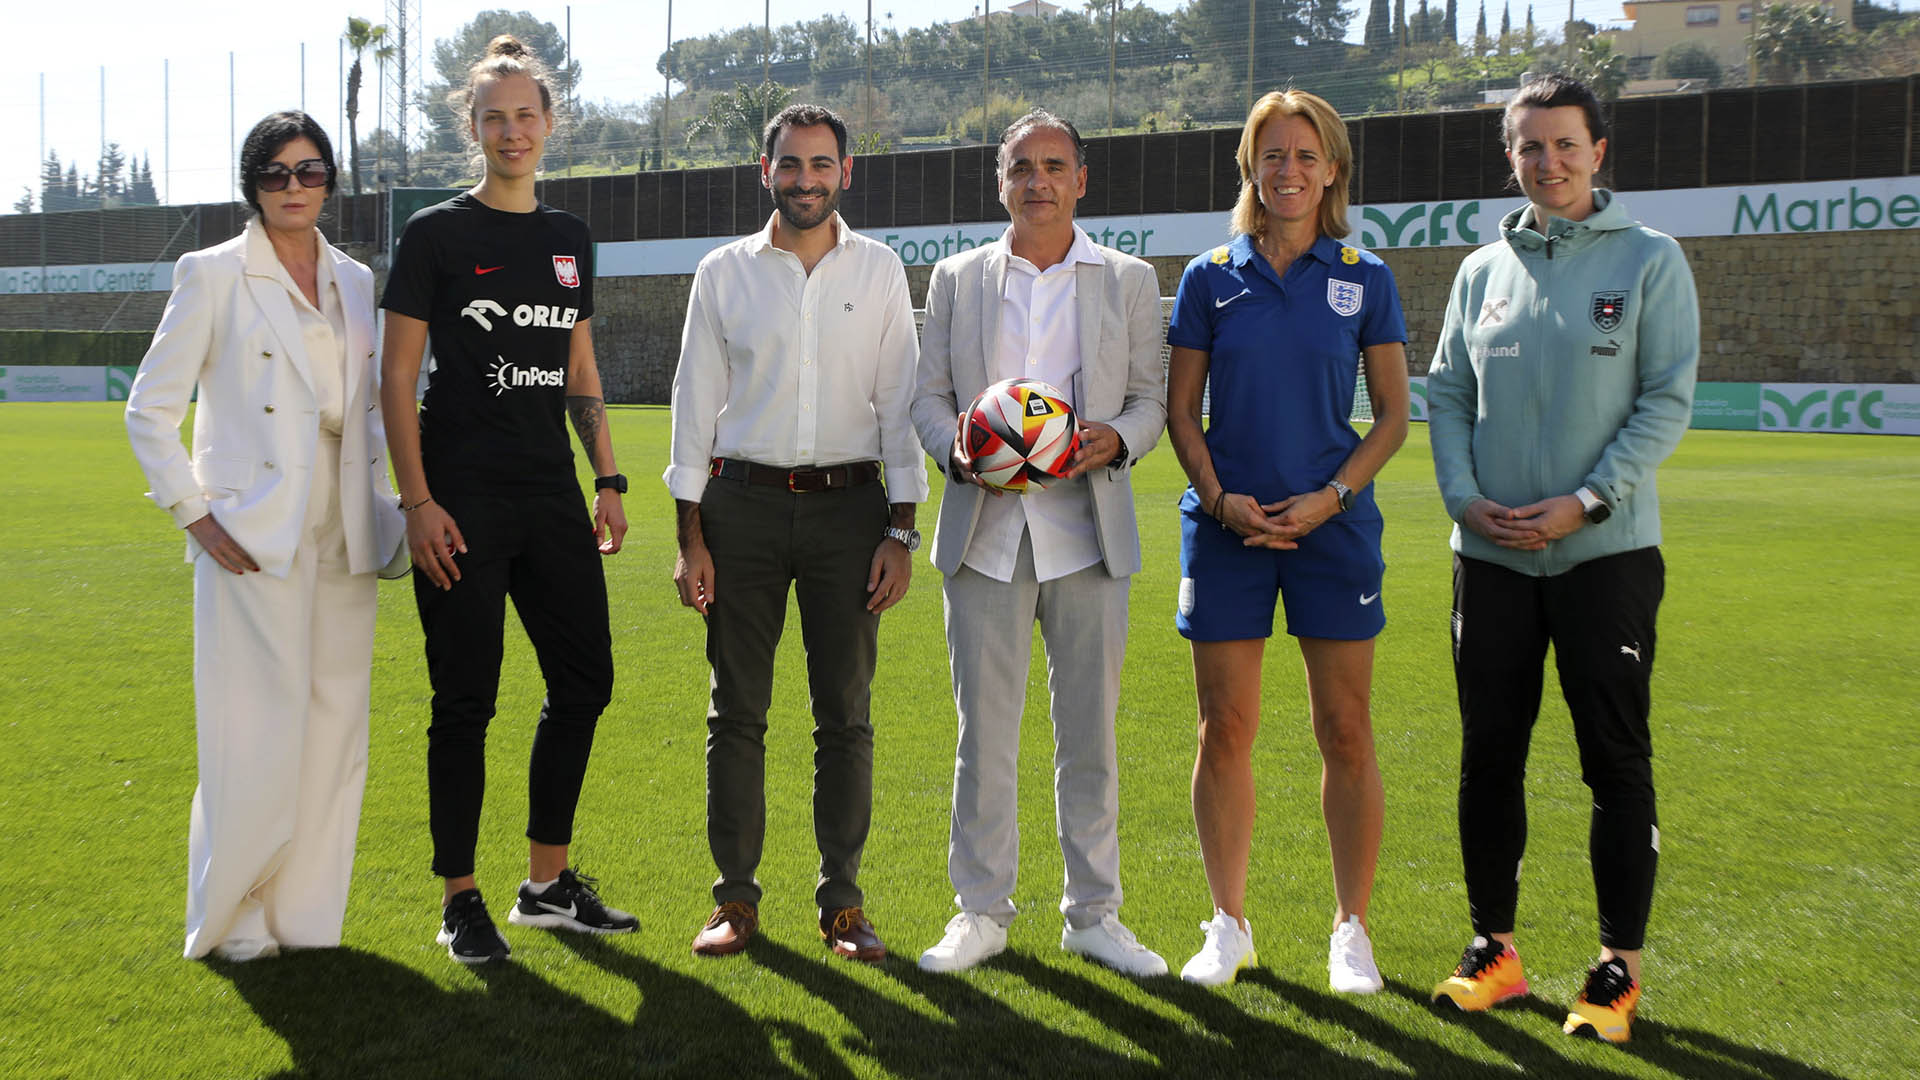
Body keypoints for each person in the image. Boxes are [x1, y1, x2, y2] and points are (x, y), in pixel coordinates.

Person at [1425, 73, 1698, 1044]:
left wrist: (1584, 504)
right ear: (1511, 156)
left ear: (1599, 152)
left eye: (1566, 145)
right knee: (1487, 758)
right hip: (1491, 557)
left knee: (1613, 761)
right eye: (1530, 147)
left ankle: (1617, 966)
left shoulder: (1652, 261)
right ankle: (1493, 950)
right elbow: (1448, 395)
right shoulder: (1481, 271)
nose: (1548, 163)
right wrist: (1465, 500)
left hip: (1604, 557)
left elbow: (1664, 401)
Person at [125, 110, 406, 962]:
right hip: (249, 532)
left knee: (333, 725)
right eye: (277, 172)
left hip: (346, 522)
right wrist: (195, 514)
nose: (294, 187)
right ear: (252, 182)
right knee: (251, 727)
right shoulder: (211, 273)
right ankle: (234, 913)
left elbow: (373, 411)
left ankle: (306, 914)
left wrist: (396, 505)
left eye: (311, 171)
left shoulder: (357, 280)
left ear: (330, 181)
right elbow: (149, 411)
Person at [379, 35, 636, 965]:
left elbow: (578, 364)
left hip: (552, 495)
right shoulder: (436, 234)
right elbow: (396, 380)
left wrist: (606, 477)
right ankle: (461, 898)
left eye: (527, 115)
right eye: (495, 117)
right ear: (473, 128)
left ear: (550, 123)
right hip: (460, 499)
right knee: (466, 699)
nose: (513, 130)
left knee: (585, 680)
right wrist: (417, 503)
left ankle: (546, 884)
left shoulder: (569, 239)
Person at [910, 110, 1169, 977]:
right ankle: (981, 911)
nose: (1039, 182)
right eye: (1023, 167)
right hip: (985, 534)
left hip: (1088, 532)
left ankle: (1093, 913)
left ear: (1081, 179)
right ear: (1001, 180)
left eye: (1055, 166)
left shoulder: (1128, 280)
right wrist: (956, 443)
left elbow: (1148, 401)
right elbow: (928, 396)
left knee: (1089, 735)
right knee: (983, 736)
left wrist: (1116, 439)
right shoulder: (956, 278)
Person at [667, 103, 926, 964]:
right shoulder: (723, 272)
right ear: (765, 170)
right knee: (736, 710)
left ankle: (843, 904)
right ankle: (734, 901)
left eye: (821, 164)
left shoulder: (882, 269)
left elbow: (898, 406)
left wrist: (901, 531)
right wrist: (689, 536)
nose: (806, 179)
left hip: (850, 514)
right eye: (791, 164)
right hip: (737, 510)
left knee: (844, 716)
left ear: (846, 173)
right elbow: (692, 407)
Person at [1163, 90, 1411, 991]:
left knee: (1344, 729)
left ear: (1332, 169)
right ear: (1250, 168)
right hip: (1229, 531)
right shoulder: (1208, 276)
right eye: (1272, 154)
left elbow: (1392, 418)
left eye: (1306, 155)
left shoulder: (1364, 276)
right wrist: (1222, 500)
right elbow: (1182, 412)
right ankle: (1226, 922)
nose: (1289, 171)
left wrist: (1330, 498)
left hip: (1331, 530)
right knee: (1223, 727)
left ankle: (1353, 930)